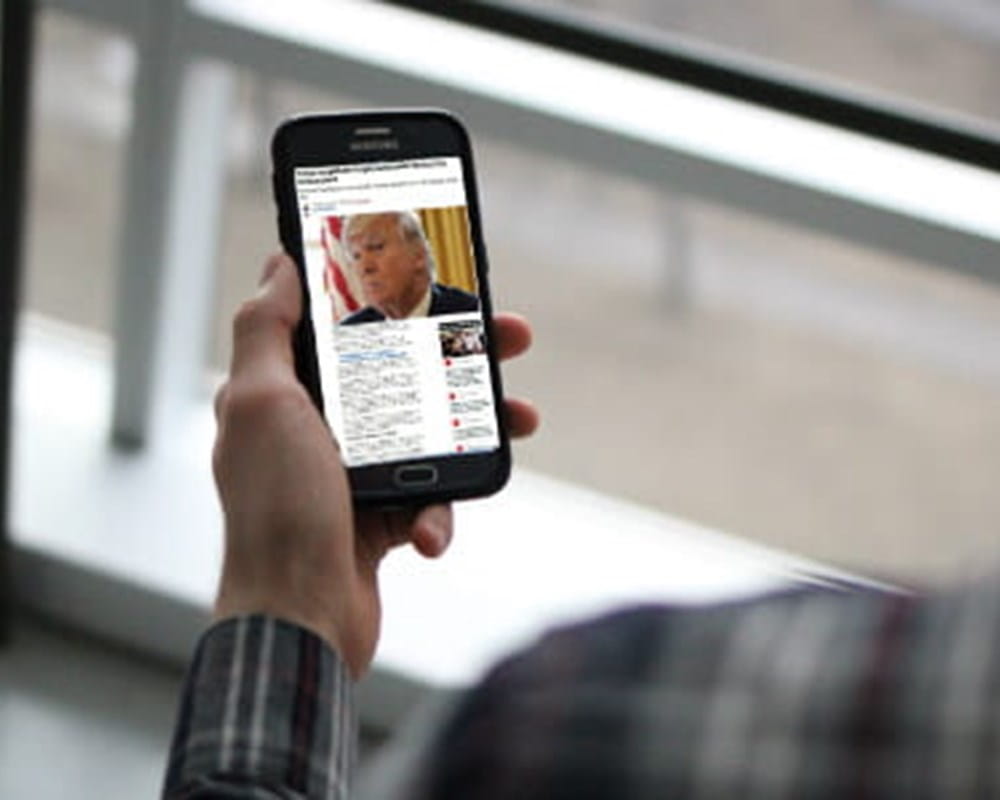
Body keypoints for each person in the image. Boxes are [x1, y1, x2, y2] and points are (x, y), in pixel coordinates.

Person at [164, 254, 1000, 798]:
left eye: (399, 254)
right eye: (372, 256)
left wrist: (285, 604)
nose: (389, 268)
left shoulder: (558, 726)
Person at [340, 211, 478, 325]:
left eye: (376, 247)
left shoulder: (472, 313)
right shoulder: (350, 330)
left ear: (418, 255)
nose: (364, 267)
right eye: (356, 256)